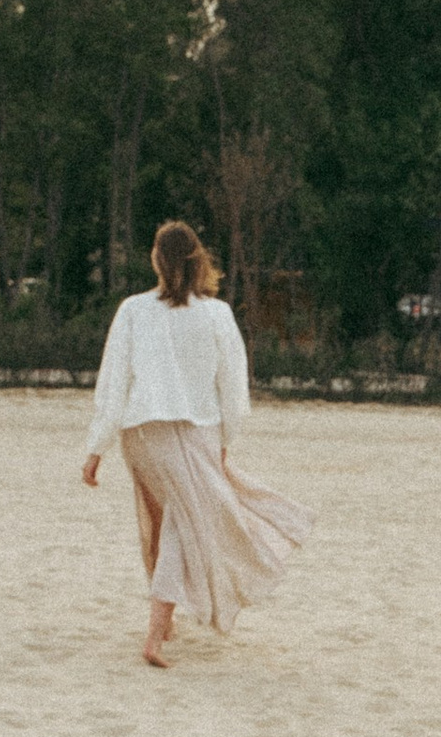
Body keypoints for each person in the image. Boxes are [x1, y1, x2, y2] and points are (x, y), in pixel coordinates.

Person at [80, 223, 311, 668]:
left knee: (161, 519)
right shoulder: (216, 314)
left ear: (156, 259)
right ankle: (155, 633)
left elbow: (112, 386)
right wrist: (226, 439)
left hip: (142, 436)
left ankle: (163, 622)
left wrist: (97, 449)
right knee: (180, 527)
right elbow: (233, 389)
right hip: (194, 431)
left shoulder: (133, 310)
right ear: (198, 260)